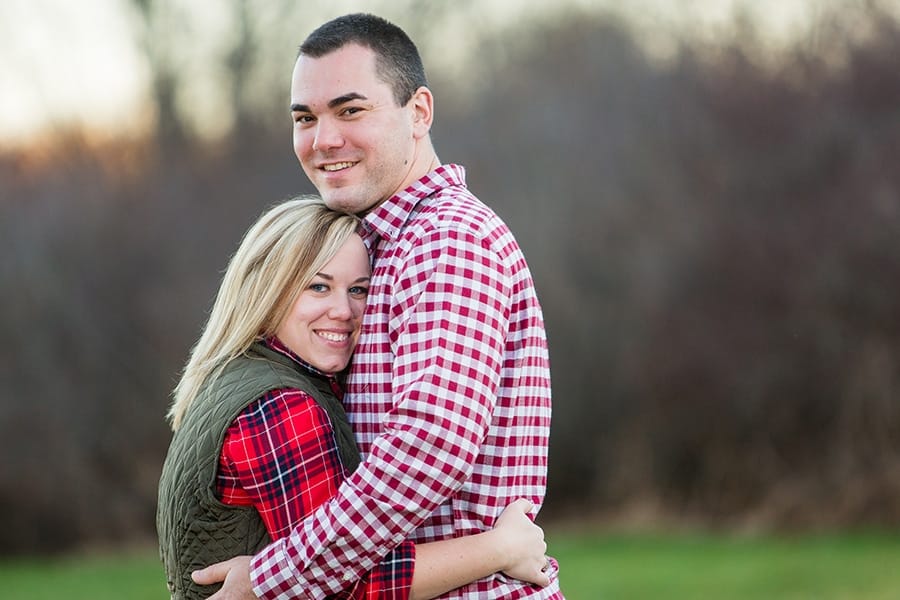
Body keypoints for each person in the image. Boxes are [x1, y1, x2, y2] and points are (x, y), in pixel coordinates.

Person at [195, 12, 561, 599]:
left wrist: (270, 583)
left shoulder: (449, 237)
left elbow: (430, 441)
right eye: (305, 118)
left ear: (419, 112)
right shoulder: (374, 248)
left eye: (350, 110)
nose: (323, 140)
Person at [157, 197, 552, 599]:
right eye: (318, 286)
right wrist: (500, 549)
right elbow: (347, 586)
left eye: (358, 289)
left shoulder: (236, 378)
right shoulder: (280, 406)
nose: (344, 310)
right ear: (268, 290)